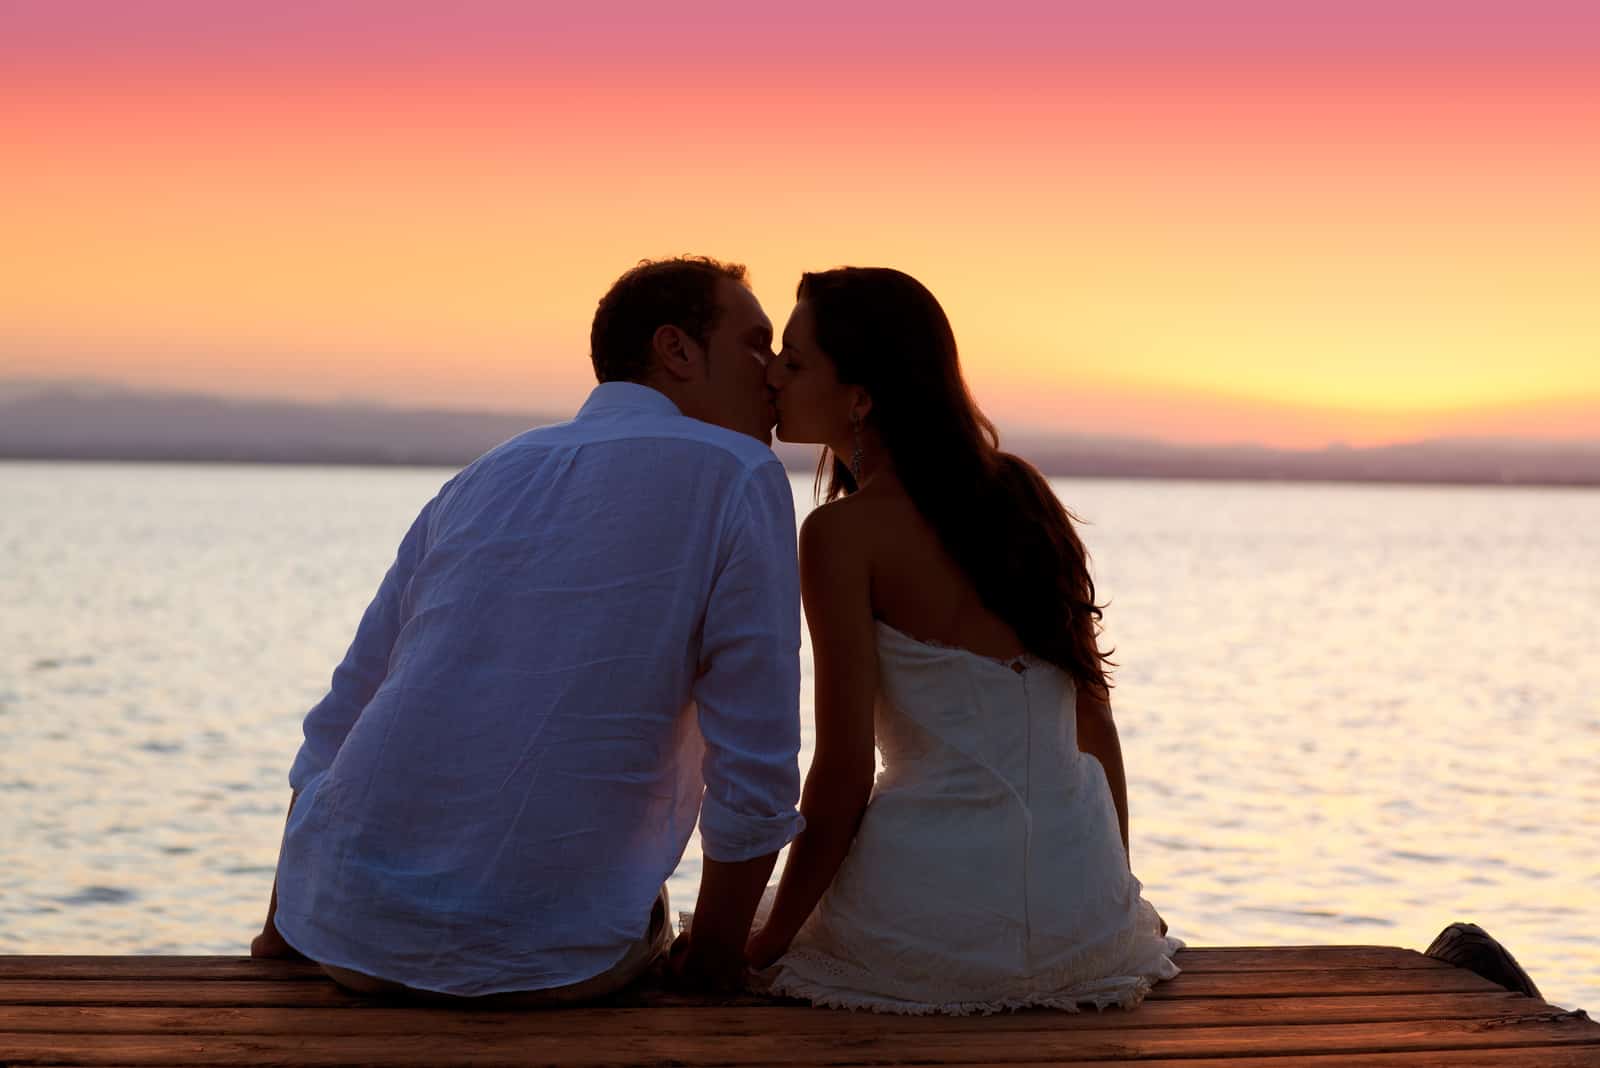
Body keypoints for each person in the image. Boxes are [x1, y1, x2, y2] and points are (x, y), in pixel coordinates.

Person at [251, 256, 804, 1003]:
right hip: (549, 959)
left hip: (346, 938)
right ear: (676, 350)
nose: (773, 374)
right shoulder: (737, 473)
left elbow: (340, 720)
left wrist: (286, 926)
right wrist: (713, 962)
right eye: (755, 342)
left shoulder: (487, 474)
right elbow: (755, 760)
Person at [748, 267, 1182, 1013]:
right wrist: (1113, 893)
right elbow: (1094, 719)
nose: (773, 376)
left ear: (861, 396)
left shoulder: (840, 535)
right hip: (1082, 901)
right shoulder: (1023, 494)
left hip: (936, 912)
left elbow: (845, 775)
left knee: (755, 936)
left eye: (794, 359)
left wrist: (767, 943)